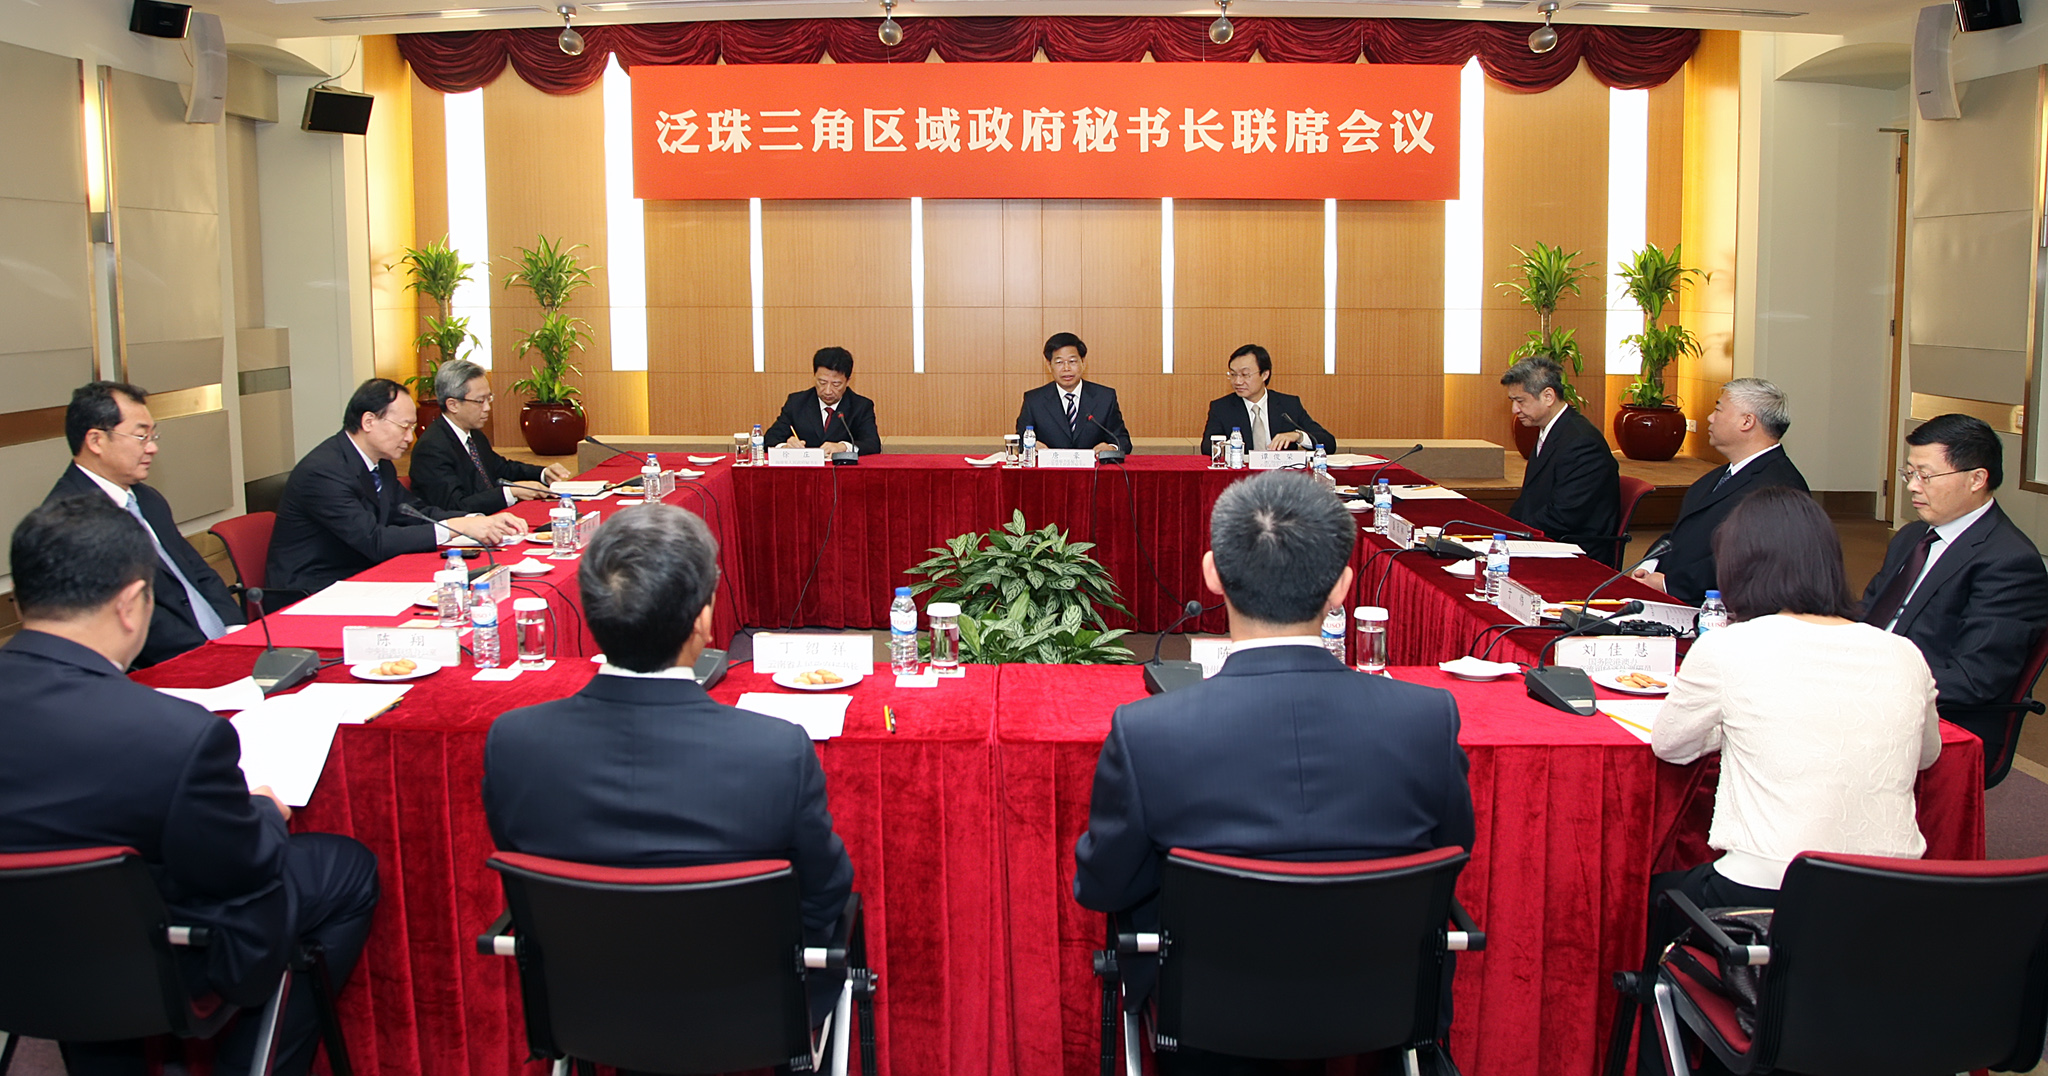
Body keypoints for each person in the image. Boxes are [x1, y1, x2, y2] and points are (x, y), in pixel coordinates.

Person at [1073, 471, 1474, 1071]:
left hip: (1204, 1023)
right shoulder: (1428, 721)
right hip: (1379, 1015)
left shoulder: (1148, 733)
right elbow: (1450, 854)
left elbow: (1102, 886)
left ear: (1211, 573)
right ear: (1342, 588)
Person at [0, 496, 379, 1076]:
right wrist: (263, 811)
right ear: (132, 604)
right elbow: (241, 869)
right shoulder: (175, 733)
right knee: (344, 868)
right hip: (155, 961)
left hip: (20, 957)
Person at [483, 503, 853, 1019]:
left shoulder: (513, 742)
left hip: (587, 1008)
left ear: (590, 614)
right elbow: (827, 891)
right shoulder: (776, 751)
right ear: (703, 620)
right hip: (748, 1012)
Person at [1649, 485, 1940, 941]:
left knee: (1649, 896)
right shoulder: (1902, 651)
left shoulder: (1728, 646)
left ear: (1738, 567)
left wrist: (1733, 727)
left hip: (1765, 891)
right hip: (1889, 892)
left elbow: (1671, 746)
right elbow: (1926, 756)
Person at [1860, 413, 2048, 769]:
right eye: (1909, 473)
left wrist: (1872, 677)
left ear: (1977, 479)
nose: (1913, 486)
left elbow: (1973, 678)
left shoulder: (2009, 561)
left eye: (1926, 475)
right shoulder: (1912, 537)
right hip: (1877, 687)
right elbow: (1869, 613)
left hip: (1941, 717)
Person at [266, 378, 525, 601]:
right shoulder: (324, 472)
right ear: (369, 421)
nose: (410, 438)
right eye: (404, 426)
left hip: (360, 575)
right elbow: (373, 540)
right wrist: (454, 528)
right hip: (313, 589)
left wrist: (473, 520)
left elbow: (413, 512)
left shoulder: (380, 464)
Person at [44, 381, 243, 667]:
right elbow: (131, 619)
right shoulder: (70, 520)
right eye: (141, 436)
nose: (152, 448)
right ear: (96, 441)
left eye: (153, 435)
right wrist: (210, 657)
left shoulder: (147, 499)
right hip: (169, 666)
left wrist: (235, 630)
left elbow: (196, 571)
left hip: (220, 647)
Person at [1631, 378, 1809, 605]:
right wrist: (1650, 565)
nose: (1710, 418)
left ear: (1747, 421)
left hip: (1724, 609)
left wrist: (1669, 584)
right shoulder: (1716, 476)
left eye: (1718, 409)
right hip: (1675, 596)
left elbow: (1747, 561)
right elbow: (1682, 534)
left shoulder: (1780, 488)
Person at [409, 359, 572, 512]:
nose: (487, 408)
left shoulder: (474, 435)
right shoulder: (432, 448)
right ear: (453, 405)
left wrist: (542, 473)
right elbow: (455, 505)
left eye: (489, 398)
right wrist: (511, 492)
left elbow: (501, 468)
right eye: (480, 401)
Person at [1501, 357, 1620, 564]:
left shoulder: (1582, 443)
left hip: (1576, 552)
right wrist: (1501, 531)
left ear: (1548, 396)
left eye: (1520, 401)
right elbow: (1530, 500)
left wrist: (1515, 535)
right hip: (1547, 539)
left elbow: (1564, 515)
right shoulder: (1551, 431)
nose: (1515, 409)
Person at [1198, 344, 1336, 454]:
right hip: (1241, 477)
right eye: (1233, 374)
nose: (1237, 381)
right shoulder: (1222, 407)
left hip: (1281, 477)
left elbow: (1328, 443)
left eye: (1245, 375)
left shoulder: (1288, 405)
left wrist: (1298, 436)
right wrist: (1229, 446)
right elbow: (1207, 448)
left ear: (1264, 374)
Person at [1016, 332, 1133, 455]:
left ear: (1083, 363)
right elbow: (1020, 440)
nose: (1066, 368)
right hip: (1050, 467)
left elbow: (1122, 441)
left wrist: (1112, 448)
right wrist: (1030, 445)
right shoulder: (1034, 400)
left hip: (1094, 467)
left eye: (1072, 361)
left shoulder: (1105, 397)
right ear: (1049, 366)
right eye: (1059, 362)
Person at [764, 346, 883, 456]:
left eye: (836, 384)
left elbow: (872, 444)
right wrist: (785, 446)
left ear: (848, 381)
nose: (827, 391)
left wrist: (843, 447)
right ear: (814, 376)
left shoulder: (861, 406)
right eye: (822, 382)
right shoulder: (796, 403)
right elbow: (770, 439)